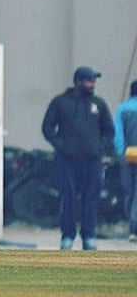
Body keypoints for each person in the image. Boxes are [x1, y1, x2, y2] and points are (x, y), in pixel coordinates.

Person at [41, 66, 115, 250]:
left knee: (91, 199)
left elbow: (109, 129)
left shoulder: (98, 104)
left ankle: (89, 236)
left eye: (94, 81)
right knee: (69, 198)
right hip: (67, 161)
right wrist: (62, 146)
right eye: (89, 80)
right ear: (79, 82)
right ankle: (67, 236)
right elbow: (48, 127)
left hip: (92, 161)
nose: (92, 84)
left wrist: (100, 147)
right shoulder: (61, 102)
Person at [113, 80, 137, 242]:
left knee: (129, 191)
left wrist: (121, 153)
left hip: (129, 155)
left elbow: (118, 135)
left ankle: (132, 227)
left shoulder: (122, 108)